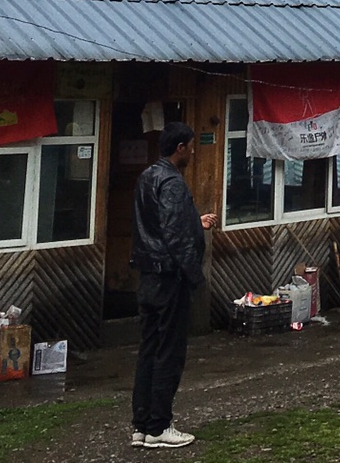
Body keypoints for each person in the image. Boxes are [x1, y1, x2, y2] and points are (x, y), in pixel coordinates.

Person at [131, 122, 216, 449]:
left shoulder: (146, 177)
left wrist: (195, 221)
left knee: (148, 350)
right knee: (169, 352)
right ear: (180, 147)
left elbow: (154, 224)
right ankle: (160, 426)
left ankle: (141, 425)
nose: (193, 152)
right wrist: (195, 275)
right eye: (191, 147)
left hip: (148, 275)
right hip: (169, 277)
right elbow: (175, 235)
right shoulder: (173, 182)